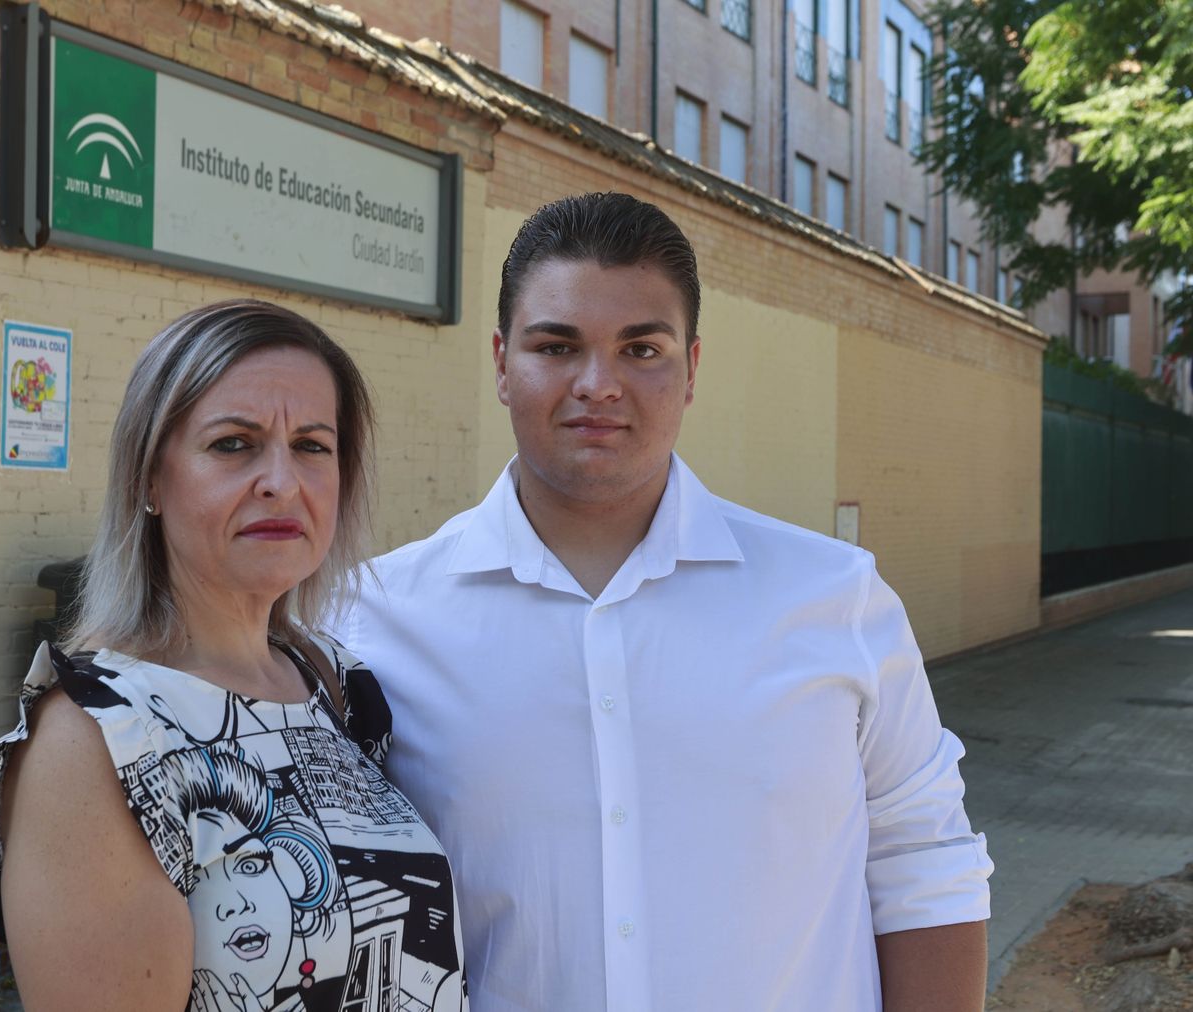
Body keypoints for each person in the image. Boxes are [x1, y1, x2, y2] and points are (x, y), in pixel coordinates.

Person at [334, 192, 993, 1011]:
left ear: (691, 370)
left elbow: (924, 861)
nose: (598, 384)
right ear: (503, 363)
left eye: (640, 348)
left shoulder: (835, 598)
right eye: (557, 345)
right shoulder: (374, 622)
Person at [0, 300, 467, 1012]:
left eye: (313, 447)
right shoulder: (96, 737)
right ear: (149, 479)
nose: (281, 481)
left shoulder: (338, 685)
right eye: (234, 444)